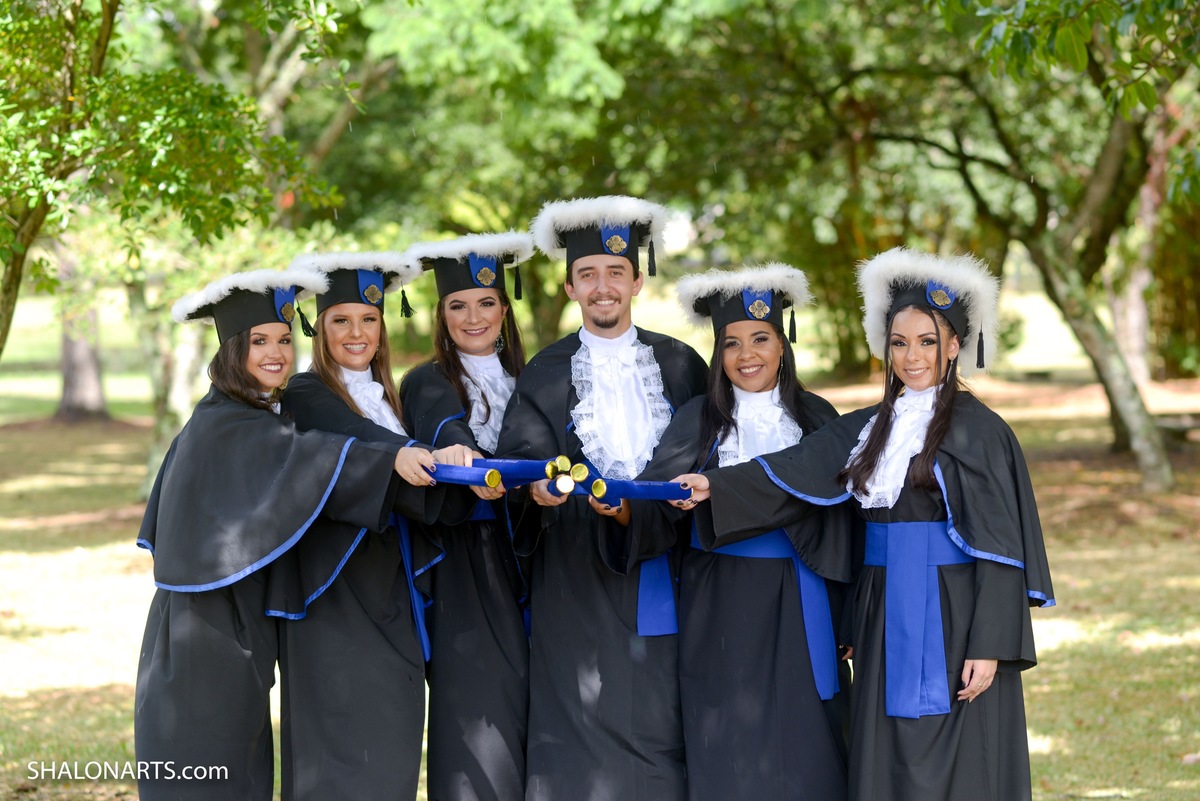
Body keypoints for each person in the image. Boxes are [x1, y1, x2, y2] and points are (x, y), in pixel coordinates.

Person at [677, 248, 1055, 801]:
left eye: (927, 342)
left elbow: (1000, 549)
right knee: (882, 751)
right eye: (899, 343)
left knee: (951, 752)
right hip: (880, 609)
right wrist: (716, 485)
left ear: (954, 346)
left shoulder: (982, 432)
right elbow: (795, 468)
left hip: (951, 616)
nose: (912, 357)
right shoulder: (869, 426)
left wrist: (990, 644)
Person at [135, 268, 421, 801]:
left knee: (243, 762)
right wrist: (393, 460)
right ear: (231, 350)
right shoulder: (227, 423)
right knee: (208, 759)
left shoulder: (251, 411)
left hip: (239, 610)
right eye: (259, 341)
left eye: (285, 340)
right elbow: (306, 457)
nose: (276, 353)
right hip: (207, 618)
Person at [604, 263, 852, 801]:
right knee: (726, 733)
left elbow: (842, 517)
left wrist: (849, 613)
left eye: (761, 339)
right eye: (731, 343)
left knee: (809, 738)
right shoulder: (699, 418)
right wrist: (620, 510)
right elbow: (656, 501)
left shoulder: (816, 417)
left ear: (783, 344)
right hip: (718, 595)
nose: (746, 355)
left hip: (801, 591)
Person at [494, 195, 708, 801]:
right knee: (577, 714)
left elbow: (708, 452)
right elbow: (522, 461)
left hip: (663, 559)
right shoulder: (544, 370)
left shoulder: (682, 363)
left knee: (660, 710)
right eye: (588, 274)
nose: (603, 287)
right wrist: (536, 491)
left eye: (616, 272)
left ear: (637, 281)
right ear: (570, 287)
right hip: (573, 570)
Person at [277, 252, 471, 801]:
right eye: (340, 320)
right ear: (318, 327)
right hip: (336, 589)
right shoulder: (306, 393)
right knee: (343, 742)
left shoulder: (393, 398)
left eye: (368, 318)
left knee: (394, 736)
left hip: (393, 584)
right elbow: (360, 440)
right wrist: (418, 452)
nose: (357, 333)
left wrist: (459, 463)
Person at [399, 231, 535, 801]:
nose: (473, 317)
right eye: (458, 305)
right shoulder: (428, 379)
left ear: (504, 309)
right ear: (441, 314)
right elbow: (448, 431)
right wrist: (463, 454)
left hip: (538, 549)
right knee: (480, 705)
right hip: (469, 557)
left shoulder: (534, 377)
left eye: (486, 303)